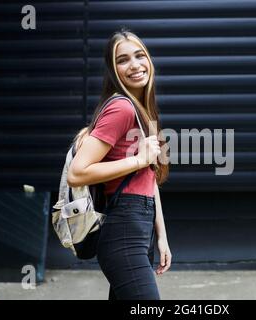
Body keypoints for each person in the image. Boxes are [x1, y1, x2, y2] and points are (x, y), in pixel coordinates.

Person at [67, 27, 172, 300]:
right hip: (123, 227)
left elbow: (148, 179)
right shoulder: (122, 108)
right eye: (122, 60)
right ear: (113, 70)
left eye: (140, 56)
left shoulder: (141, 110)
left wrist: (161, 236)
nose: (135, 65)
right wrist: (138, 159)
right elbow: (77, 173)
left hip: (140, 225)